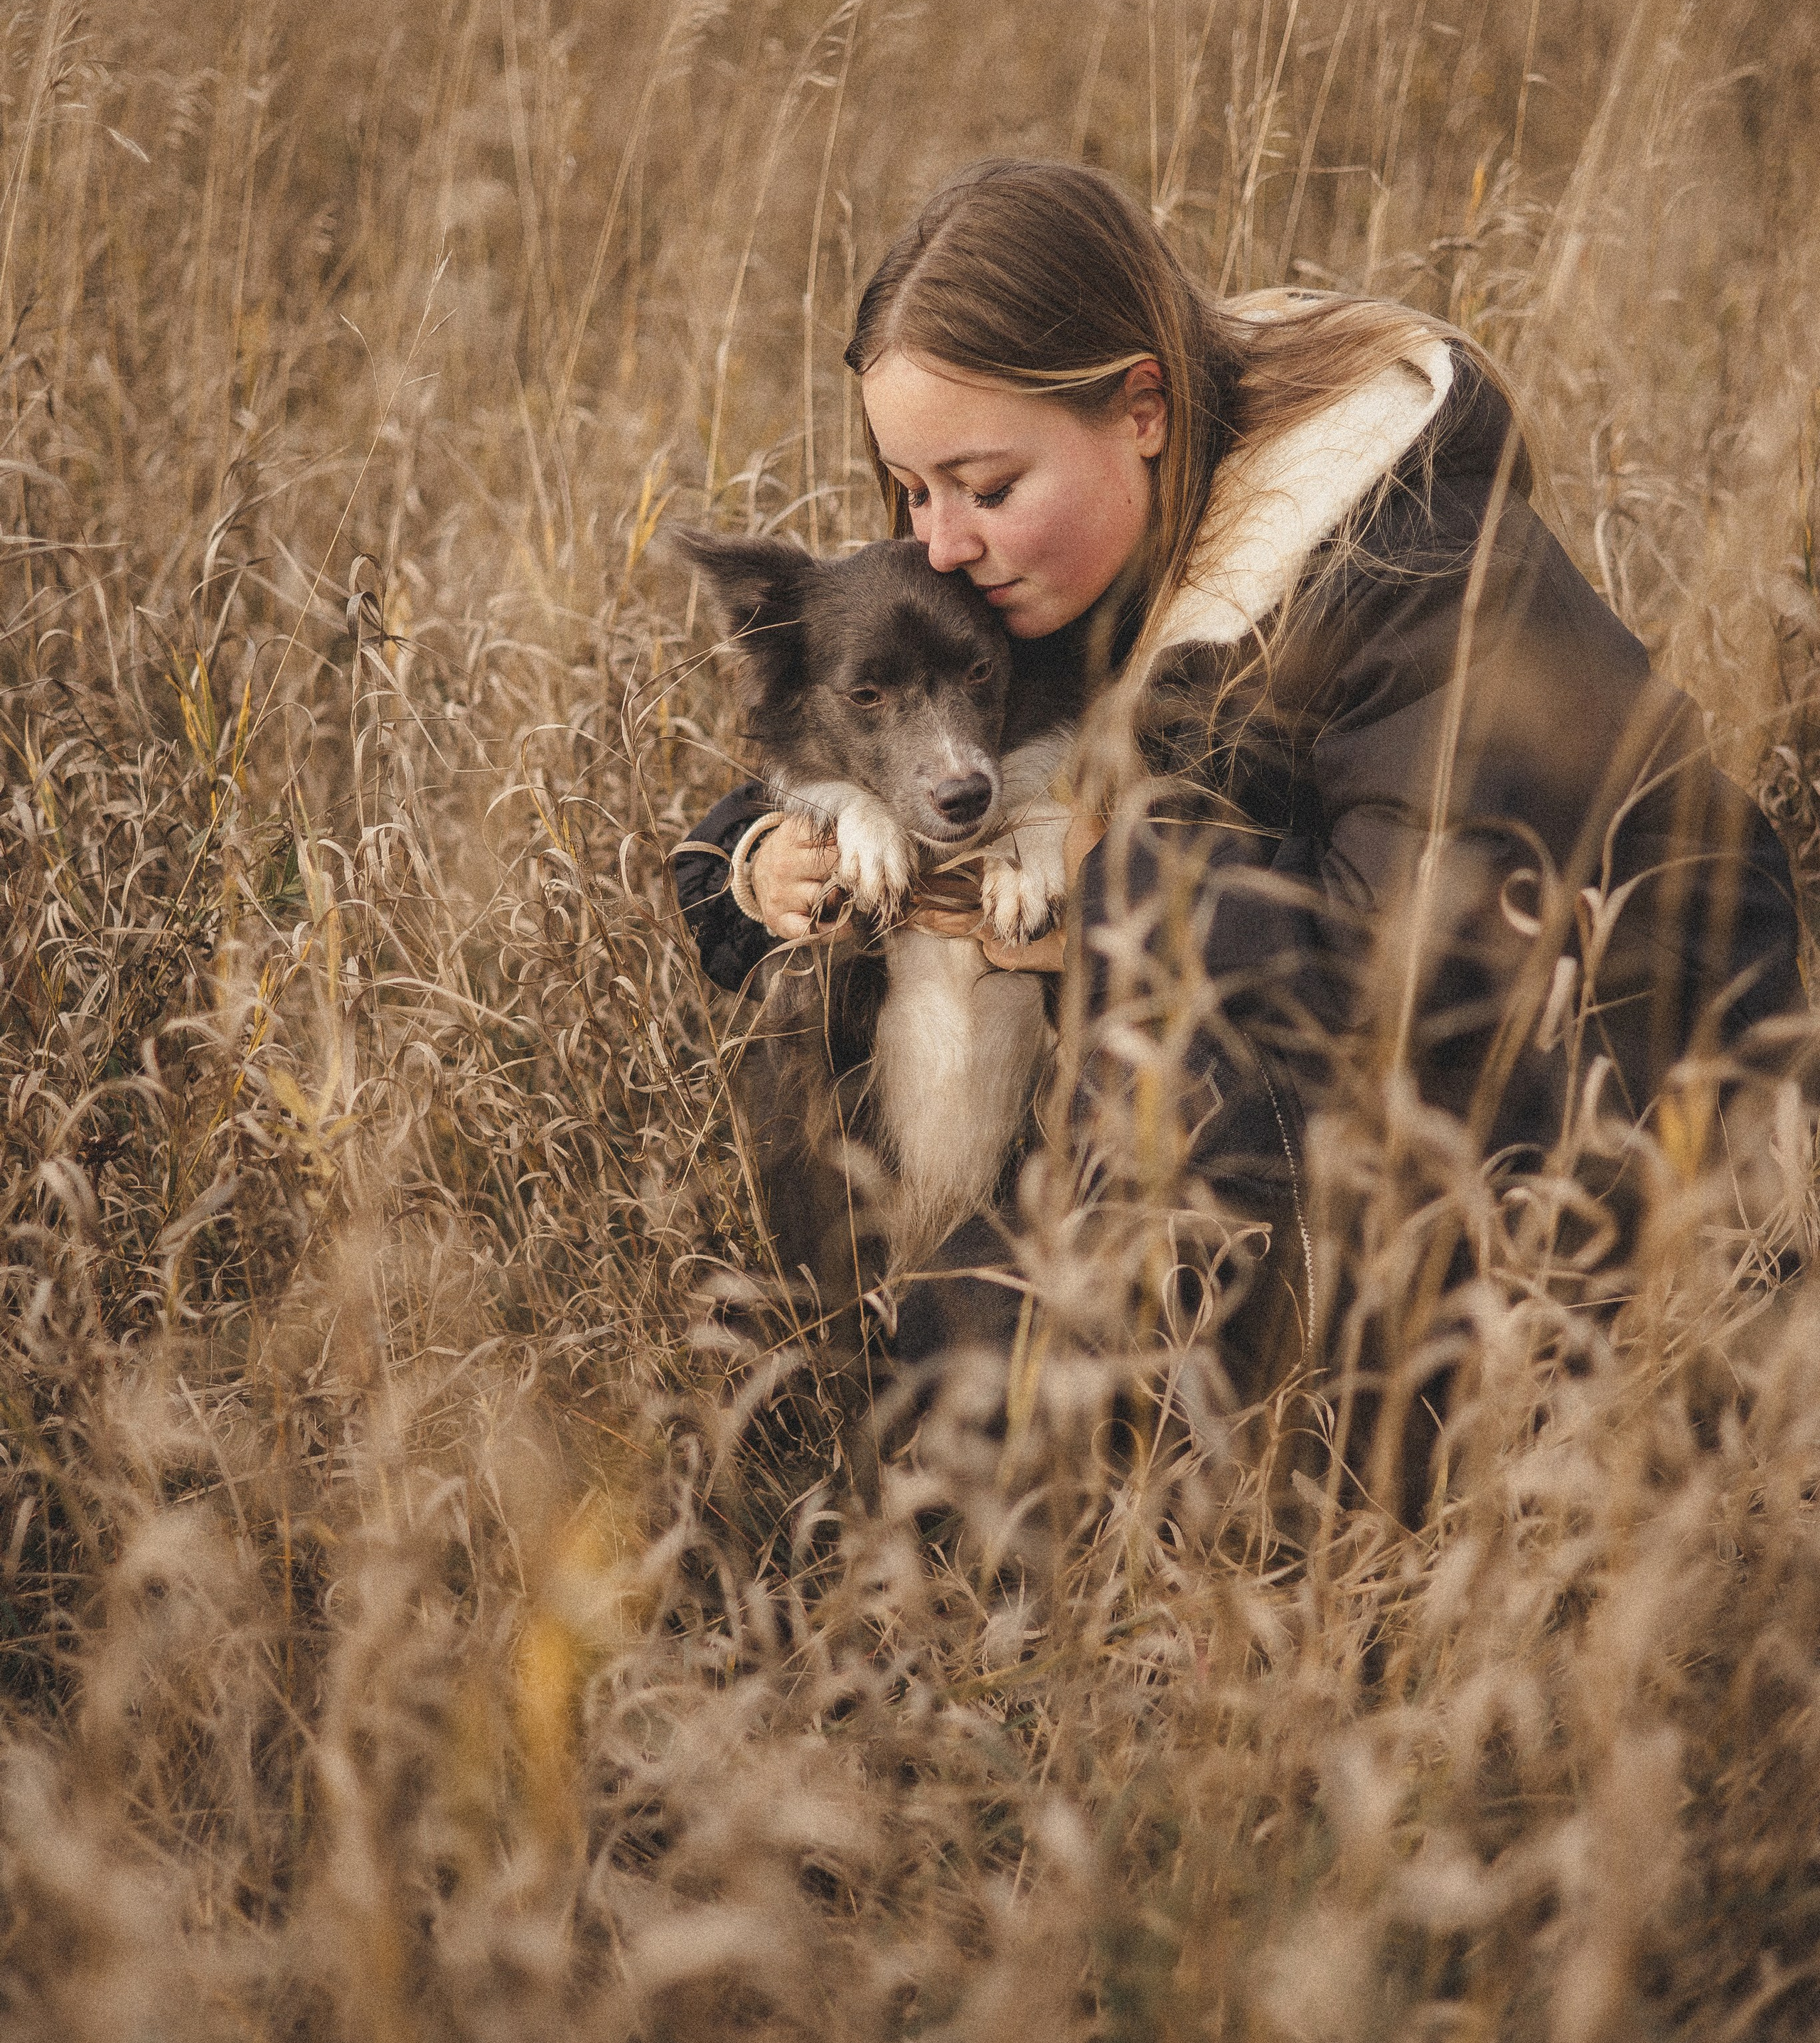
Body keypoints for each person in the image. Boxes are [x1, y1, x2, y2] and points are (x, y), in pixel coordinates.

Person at [674, 158, 1804, 1430]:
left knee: (986, 1402)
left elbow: (1426, 969)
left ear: (1142, 409)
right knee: (946, 1354)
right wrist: (762, 848)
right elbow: (868, 701)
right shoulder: (1096, 547)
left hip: (1614, 1139)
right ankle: (891, 1380)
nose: (940, 542)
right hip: (1330, 1103)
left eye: (984, 489)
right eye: (915, 490)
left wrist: (1090, 906)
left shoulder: (1413, 572)